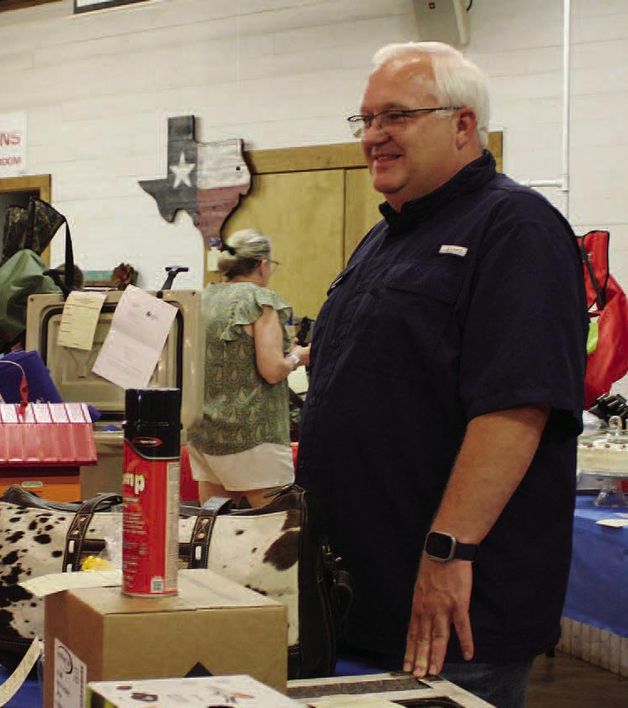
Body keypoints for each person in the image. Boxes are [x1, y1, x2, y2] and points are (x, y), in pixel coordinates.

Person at [295, 42, 586, 707]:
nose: (372, 137)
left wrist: (448, 552)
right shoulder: (385, 238)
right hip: (355, 600)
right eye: (365, 119)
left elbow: (517, 409)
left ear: (462, 124)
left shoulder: (517, 228)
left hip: (448, 609)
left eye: (395, 116)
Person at [187, 230, 309, 509]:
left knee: (215, 530)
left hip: (205, 434)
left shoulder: (202, 299)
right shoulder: (260, 301)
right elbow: (272, 370)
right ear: (263, 264)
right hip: (254, 437)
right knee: (276, 531)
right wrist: (299, 356)